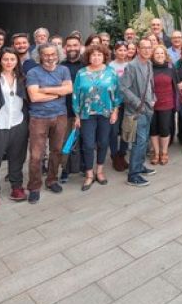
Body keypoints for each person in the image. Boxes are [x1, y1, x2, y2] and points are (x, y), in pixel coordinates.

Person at [25, 43, 73, 203]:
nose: (50, 57)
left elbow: (68, 89)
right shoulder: (33, 72)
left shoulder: (63, 70)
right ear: (40, 56)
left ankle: (52, 180)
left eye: (53, 54)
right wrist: (57, 92)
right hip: (39, 117)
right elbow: (34, 97)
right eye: (46, 54)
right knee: (36, 155)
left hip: (60, 116)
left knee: (57, 150)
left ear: (58, 54)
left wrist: (44, 89)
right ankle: (34, 186)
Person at [0, 48, 29, 212]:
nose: (9, 62)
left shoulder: (22, 78)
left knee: (17, 158)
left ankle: (16, 187)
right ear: (0, 61)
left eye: (12, 59)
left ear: (17, 61)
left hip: (19, 123)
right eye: (6, 59)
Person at [73, 43, 119, 191]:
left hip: (105, 113)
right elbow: (75, 95)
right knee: (87, 144)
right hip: (86, 114)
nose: (96, 57)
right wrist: (77, 115)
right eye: (93, 55)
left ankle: (99, 171)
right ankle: (89, 174)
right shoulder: (81, 73)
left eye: (99, 54)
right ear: (88, 57)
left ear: (104, 56)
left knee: (104, 142)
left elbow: (117, 94)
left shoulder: (111, 72)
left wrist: (115, 111)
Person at [121, 38, 157, 187]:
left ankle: (139, 166)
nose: (147, 50)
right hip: (137, 111)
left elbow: (150, 84)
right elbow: (123, 88)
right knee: (139, 142)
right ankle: (133, 175)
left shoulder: (148, 63)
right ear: (138, 49)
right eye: (144, 48)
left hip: (149, 108)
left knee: (143, 141)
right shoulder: (132, 66)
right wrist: (138, 104)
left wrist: (153, 98)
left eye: (149, 47)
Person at [60, 36, 85, 181]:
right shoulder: (60, 66)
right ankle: (65, 169)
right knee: (66, 141)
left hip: (85, 110)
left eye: (75, 45)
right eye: (69, 46)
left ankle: (84, 166)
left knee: (85, 140)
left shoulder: (86, 65)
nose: (72, 48)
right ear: (65, 48)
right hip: (65, 110)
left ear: (80, 46)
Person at [149, 45, 179, 165]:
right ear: (153, 55)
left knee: (165, 129)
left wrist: (177, 103)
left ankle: (164, 152)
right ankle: (156, 153)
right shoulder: (149, 67)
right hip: (151, 103)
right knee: (153, 129)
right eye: (157, 53)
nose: (159, 55)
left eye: (161, 53)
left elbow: (175, 86)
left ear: (165, 55)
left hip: (167, 103)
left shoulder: (171, 68)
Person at [109, 42, 131, 171]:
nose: (122, 53)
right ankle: (114, 155)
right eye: (120, 50)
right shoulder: (110, 66)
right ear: (115, 51)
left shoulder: (130, 65)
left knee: (125, 129)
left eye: (124, 50)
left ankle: (122, 154)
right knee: (113, 130)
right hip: (114, 103)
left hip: (127, 102)